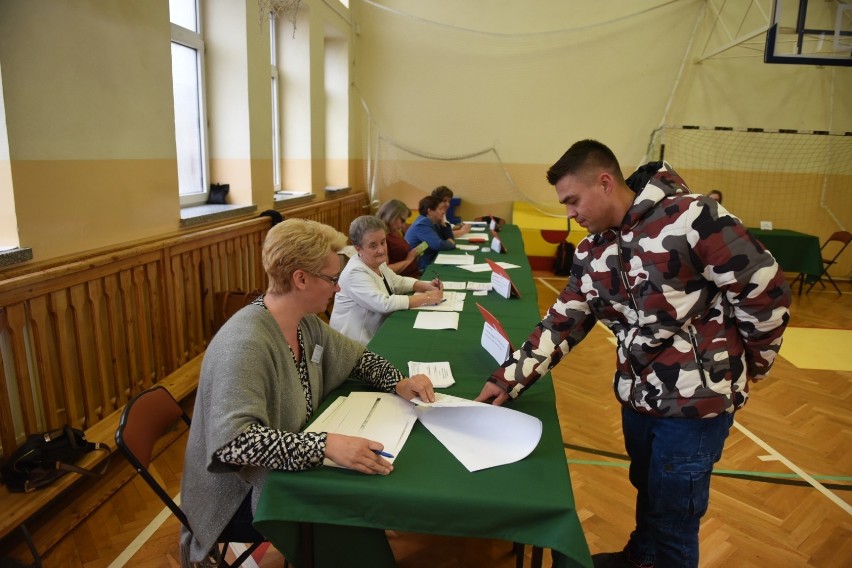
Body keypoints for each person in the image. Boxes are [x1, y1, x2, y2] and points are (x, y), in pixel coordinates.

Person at [475, 140, 791, 568]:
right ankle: (641, 559)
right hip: (639, 399)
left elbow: (765, 290)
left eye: (572, 200)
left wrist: (753, 363)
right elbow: (563, 320)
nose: (569, 212)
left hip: (696, 405)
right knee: (649, 491)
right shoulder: (592, 250)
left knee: (676, 516)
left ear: (604, 183)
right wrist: (507, 378)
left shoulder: (692, 217)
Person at [179, 218, 436, 566]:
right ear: (300, 279)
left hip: (281, 464)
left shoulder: (304, 322)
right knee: (340, 500)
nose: (338, 289)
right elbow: (235, 444)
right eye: (332, 279)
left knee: (352, 483)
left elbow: (356, 357)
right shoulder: (245, 342)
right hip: (235, 493)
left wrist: (397, 381)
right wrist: (325, 444)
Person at [330, 215, 443, 344]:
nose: (381, 250)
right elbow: (383, 303)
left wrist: (425, 285)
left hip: (377, 332)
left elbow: (396, 282)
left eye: (383, 242)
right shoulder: (354, 272)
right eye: (373, 246)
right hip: (355, 346)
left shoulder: (377, 263)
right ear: (358, 249)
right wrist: (427, 298)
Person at [405, 195, 456, 271]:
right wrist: (450, 243)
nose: (443, 212)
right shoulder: (422, 224)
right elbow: (439, 244)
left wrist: (443, 224)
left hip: (428, 259)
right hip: (419, 266)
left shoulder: (432, 222)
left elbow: (447, 240)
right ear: (430, 211)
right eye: (440, 209)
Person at [376, 199, 421, 278]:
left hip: (413, 275)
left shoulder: (394, 232)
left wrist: (413, 255)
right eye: (402, 220)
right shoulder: (381, 238)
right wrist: (408, 261)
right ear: (391, 215)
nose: (403, 225)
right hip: (402, 281)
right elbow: (384, 270)